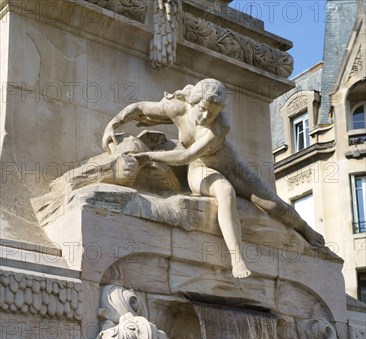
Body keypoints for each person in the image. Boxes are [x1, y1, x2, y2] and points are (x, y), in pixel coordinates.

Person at [102, 79, 325, 278]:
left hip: (233, 165)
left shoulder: (220, 127)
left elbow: (185, 155)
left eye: (214, 112)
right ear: (192, 101)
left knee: (276, 205)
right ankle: (237, 258)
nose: (207, 116)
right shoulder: (178, 107)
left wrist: (147, 155)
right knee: (225, 192)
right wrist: (113, 124)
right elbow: (139, 108)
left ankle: (305, 229)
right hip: (201, 167)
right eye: (204, 109)